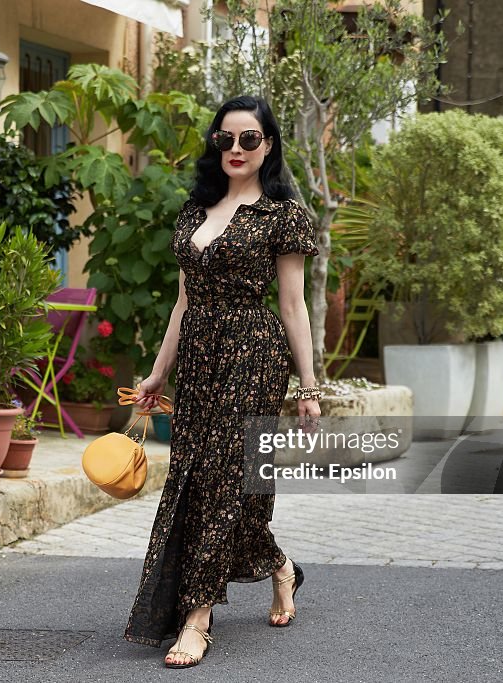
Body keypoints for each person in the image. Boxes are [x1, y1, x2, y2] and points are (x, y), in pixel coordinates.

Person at [123, 95, 322, 668]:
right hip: (202, 360)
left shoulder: (283, 215)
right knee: (202, 478)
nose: (235, 149)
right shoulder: (195, 210)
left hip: (255, 356)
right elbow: (183, 304)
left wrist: (307, 386)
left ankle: (197, 618)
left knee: (225, 480)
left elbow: (293, 306)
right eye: (225, 139)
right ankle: (282, 568)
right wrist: (159, 373)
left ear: (268, 145)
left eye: (249, 140)